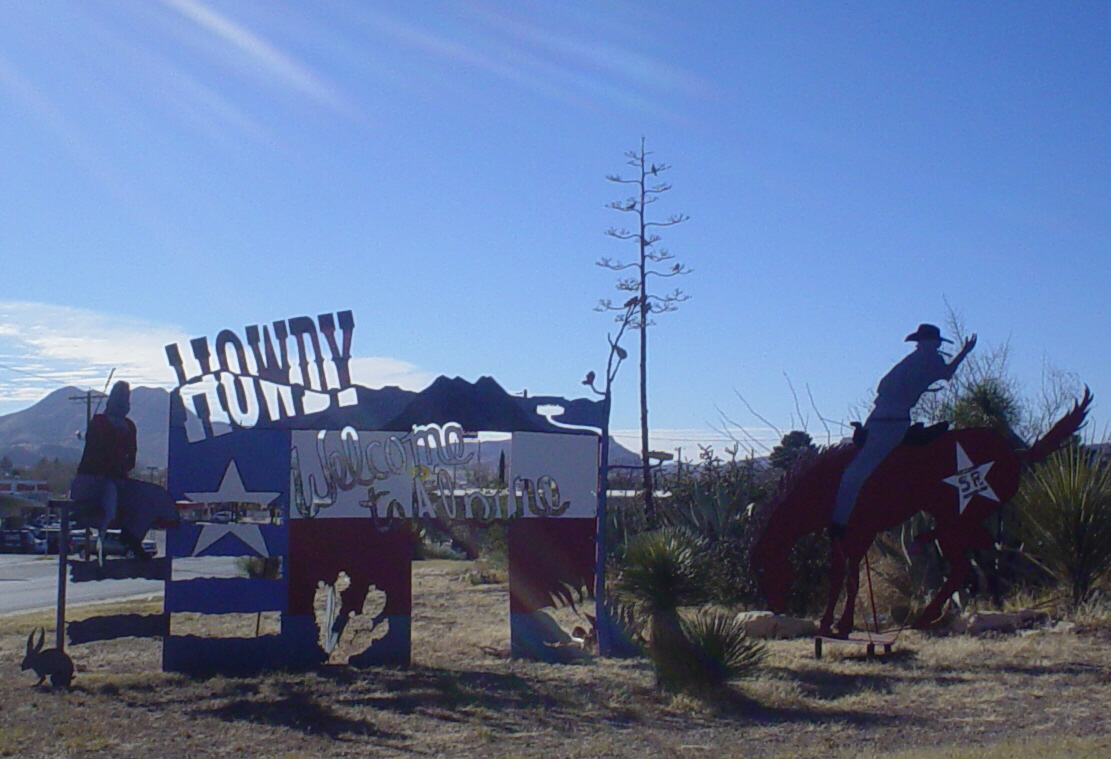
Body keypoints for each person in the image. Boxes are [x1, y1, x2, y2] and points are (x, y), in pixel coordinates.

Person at [831, 324, 976, 535]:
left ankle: (839, 522)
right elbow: (945, 374)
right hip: (884, 416)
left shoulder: (928, 360)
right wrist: (963, 353)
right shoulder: (923, 360)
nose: (919, 344)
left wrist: (963, 353)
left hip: (889, 419)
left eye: (922, 341)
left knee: (854, 473)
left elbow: (945, 373)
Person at [70, 381, 177, 559]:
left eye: (126, 399)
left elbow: (131, 460)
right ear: (110, 400)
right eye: (119, 398)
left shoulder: (129, 426)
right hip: (92, 481)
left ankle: (132, 538)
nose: (123, 403)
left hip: (119, 482)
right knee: (112, 498)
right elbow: (96, 454)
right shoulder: (99, 422)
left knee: (152, 497)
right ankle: (105, 543)